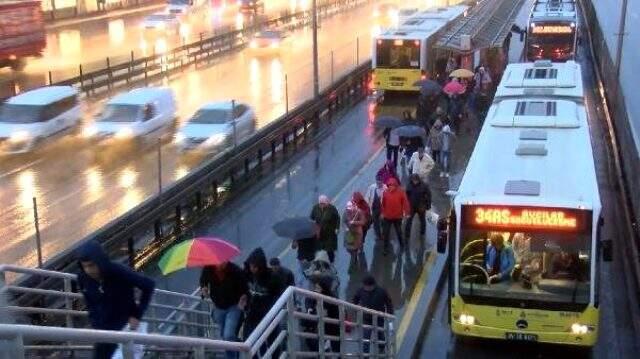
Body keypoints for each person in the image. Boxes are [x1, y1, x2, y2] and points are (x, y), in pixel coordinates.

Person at [76, 240, 155, 359]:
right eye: (85, 266)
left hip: (124, 326)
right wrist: (94, 321)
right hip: (102, 330)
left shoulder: (119, 272)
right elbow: (90, 302)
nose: (88, 270)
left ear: (100, 261)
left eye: (91, 265)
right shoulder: (83, 278)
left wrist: (137, 315)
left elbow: (148, 285)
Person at [200, 262, 248, 359]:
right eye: (219, 262)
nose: (222, 264)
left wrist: (243, 299)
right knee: (224, 335)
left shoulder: (235, 270)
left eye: (224, 261)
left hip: (233, 306)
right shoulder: (208, 268)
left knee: (228, 336)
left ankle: (232, 357)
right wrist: (204, 288)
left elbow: (245, 287)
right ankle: (236, 347)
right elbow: (203, 281)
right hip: (218, 307)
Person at [243, 248, 280, 339]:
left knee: (271, 339)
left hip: (267, 313)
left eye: (255, 267)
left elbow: (278, 295)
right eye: (251, 266)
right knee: (248, 338)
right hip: (252, 313)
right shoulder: (247, 274)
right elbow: (241, 289)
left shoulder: (272, 277)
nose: (252, 269)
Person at [352, 275, 394, 355]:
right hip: (366, 318)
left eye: (367, 286)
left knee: (380, 335)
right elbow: (355, 299)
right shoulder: (361, 290)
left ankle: (381, 347)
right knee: (366, 337)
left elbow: (388, 303)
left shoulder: (382, 291)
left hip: (379, 318)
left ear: (372, 285)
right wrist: (356, 307)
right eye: (364, 286)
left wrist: (389, 315)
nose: (365, 288)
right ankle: (365, 355)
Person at [302, 277, 340, 354]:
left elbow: (326, 313)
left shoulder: (331, 299)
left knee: (335, 347)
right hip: (319, 326)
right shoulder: (316, 294)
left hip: (330, 327)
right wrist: (309, 308)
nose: (316, 290)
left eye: (318, 288)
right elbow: (308, 300)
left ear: (324, 288)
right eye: (316, 287)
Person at [381, 177, 410, 255]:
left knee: (399, 232)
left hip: (397, 217)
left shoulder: (401, 192)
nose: (390, 186)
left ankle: (402, 245)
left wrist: (407, 213)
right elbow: (383, 204)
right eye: (389, 185)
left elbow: (405, 203)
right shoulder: (385, 192)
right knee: (386, 233)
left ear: (395, 185)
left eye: (391, 185)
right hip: (387, 217)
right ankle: (385, 248)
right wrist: (382, 213)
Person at [310, 195, 341, 263]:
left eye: (323, 203)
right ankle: (321, 263)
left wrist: (337, 228)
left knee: (329, 249)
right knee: (320, 249)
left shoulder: (332, 208)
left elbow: (337, 218)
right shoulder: (315, 208)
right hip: (319, 233)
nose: (322, 205)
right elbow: (311, 218)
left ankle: (331, 262)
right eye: (321, 203)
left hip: (330, 233)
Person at [404, 174, 431, 241]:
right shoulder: (409, 185)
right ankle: (407, 235)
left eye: (416, 180)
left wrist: (428, 205)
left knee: (422, 221)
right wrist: (406, 206)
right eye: (413, 180)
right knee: (409, 221)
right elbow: (406, 196)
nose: (415, 182)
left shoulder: (424, 185)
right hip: (411, 207)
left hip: (421, 206)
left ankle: (422, 234)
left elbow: (429, 195)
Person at [365, 175, 386, 240]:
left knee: (383, 221)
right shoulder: (372, 187)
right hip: (374, 208)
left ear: (382, 182)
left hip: (382, 208)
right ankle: (378, 235)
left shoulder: (385, 188)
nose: (379, 184)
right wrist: (367, 206)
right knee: (375, 222)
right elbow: (367, 197)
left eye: (380, 183)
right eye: (378, 183)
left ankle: (384, 233)